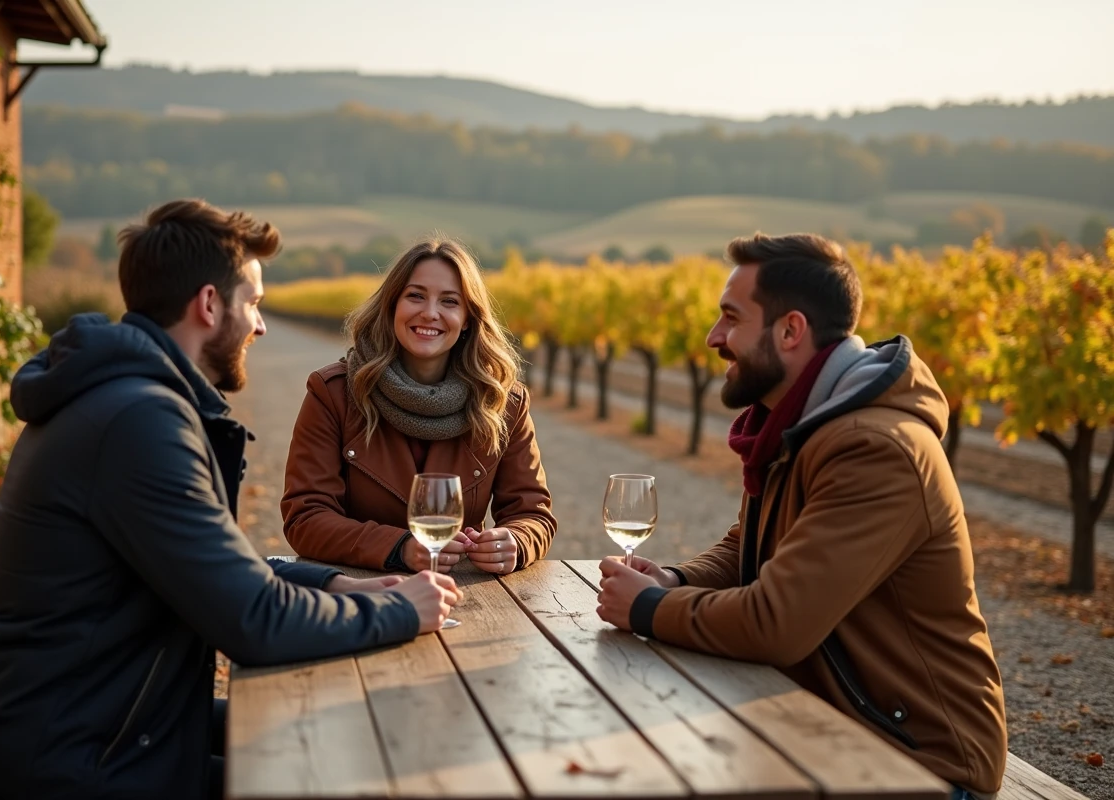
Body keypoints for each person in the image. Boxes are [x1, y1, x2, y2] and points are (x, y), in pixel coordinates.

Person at [0, 200, 461, 800]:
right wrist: (405, 611)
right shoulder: (138, 420)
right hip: (69, 752)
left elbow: (213, 566)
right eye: (254, 303)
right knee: (335, 774)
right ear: (210, 304)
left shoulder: (131, 400)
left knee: (339, 734)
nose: (261, 326)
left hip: (97, 716)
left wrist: (333, 586)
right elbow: (253, 622)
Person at [595, 233, 1007, 800]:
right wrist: (674, 579)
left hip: (916, 762)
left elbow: (776, 623)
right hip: (830, 727)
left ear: (790, 331)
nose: (714, 338)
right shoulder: (804, 425)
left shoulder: (875, 449)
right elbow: (749, 545)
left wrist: (647, 607)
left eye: (731, 319)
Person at [282, 238, 556, 575]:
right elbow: (306, 518)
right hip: (358, 594)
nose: (430, 313)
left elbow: (533, 514)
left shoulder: (502, 403)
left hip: (462, 599)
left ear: (467, 318)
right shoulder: (333, 394)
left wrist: (516, 542)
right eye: (415, 296)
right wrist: (399, 548)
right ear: (392, 304)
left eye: (449, 301)